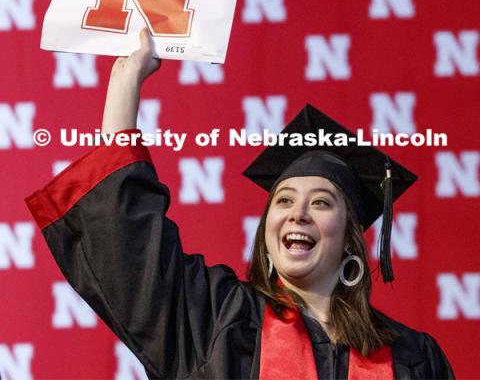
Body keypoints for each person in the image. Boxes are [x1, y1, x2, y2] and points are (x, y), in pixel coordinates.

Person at [26, 29, 454, 379]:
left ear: (350, 237)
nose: (297, 212)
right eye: (283, 200)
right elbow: (132, 247)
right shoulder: (219, 319)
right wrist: (126, 82)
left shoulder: (413, 359)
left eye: (321, 202)